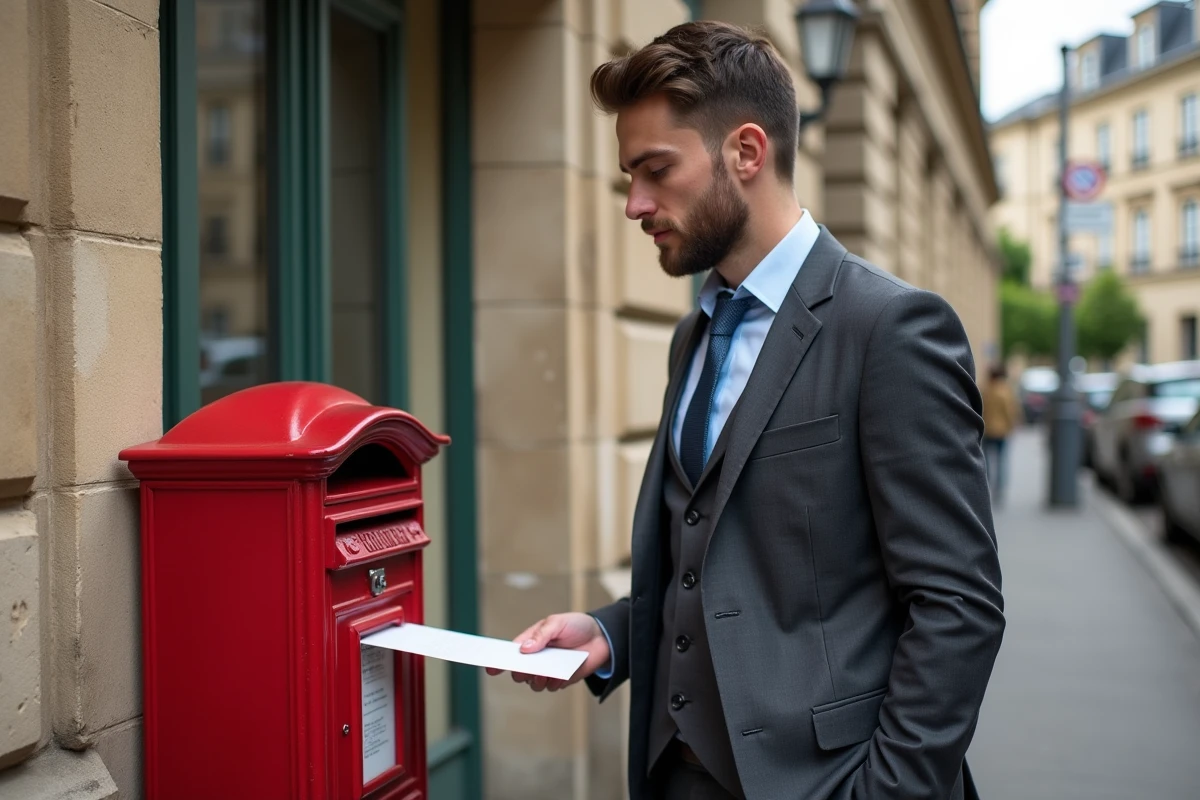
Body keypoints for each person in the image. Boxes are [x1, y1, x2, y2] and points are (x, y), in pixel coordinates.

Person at [486, 21, 1004, 800]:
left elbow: (958, 607)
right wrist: (610, 635)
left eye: (656, 170)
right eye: (630, 175)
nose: (635, 204)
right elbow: (721, 562)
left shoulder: (890, 329)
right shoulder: (694, 332)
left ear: (747, 152)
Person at [981, 364, 1021, 504]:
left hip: (986, 430)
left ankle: (987, 485)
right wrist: (1012, 426)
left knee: (986, 461)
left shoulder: (985, 390)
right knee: (1001, 461)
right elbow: (1010, 411)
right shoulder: (1005, 390)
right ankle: (999, 489)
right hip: (1002, 431)